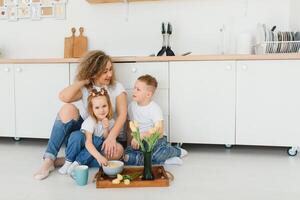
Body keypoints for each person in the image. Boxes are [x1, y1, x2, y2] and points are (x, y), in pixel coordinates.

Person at [34, 50, 127, 180]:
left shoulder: (117, 87)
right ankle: (49, 160)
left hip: (105, 136)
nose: (110, 74)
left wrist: (111, 138)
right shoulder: (86, 89)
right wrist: (83, 81)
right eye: (105, 71)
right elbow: (63, 96)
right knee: (67, 109)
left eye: (110, 69)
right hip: (83, 137)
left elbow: (123, 115)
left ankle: (67, 160)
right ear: (94, 72)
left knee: (118, 152)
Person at [124, 74, 187, 166]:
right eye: (134, 88)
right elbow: (129, 128)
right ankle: (163, 161)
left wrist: (142, 135)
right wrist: (129, 144)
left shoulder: (154, 108)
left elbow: (160, 131)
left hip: (155, 139)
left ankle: (176, 151)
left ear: (148, 94)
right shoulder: (131, 106)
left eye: (138, 89)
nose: (134, 91)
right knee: (127, 158)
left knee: (157, 153)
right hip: (139, 141)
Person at [59, 88, 114, 175]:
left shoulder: (111, 121)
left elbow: (106, 139)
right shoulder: (90, 121)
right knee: (77, 135)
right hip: (84, 145)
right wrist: (99, 157)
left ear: (109, 106)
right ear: (92, 110)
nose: (101, 110)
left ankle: (78, 163)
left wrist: (106, 128)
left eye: (104, 106)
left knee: (99, 141)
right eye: (97, 107)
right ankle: (68, 161)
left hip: (92, 150)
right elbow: (88, 143)